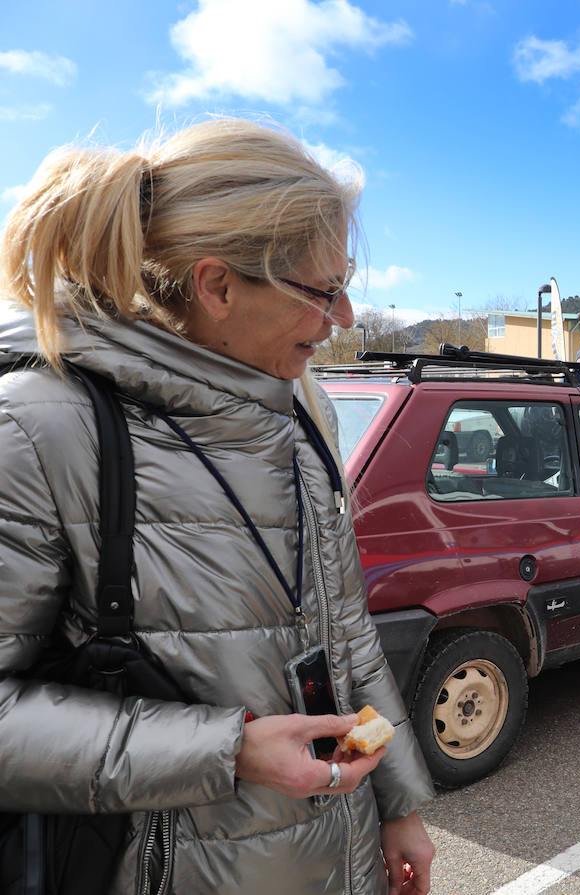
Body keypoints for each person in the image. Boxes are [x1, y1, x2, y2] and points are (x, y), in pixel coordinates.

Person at [0, 119, 435, 893]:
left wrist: (399, 802)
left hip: (341, 861)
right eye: (322, 291)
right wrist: (226, 750)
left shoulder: (300, 410)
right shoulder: (41, 427)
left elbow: (349, 633)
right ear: (217, 285)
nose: (342, 320)